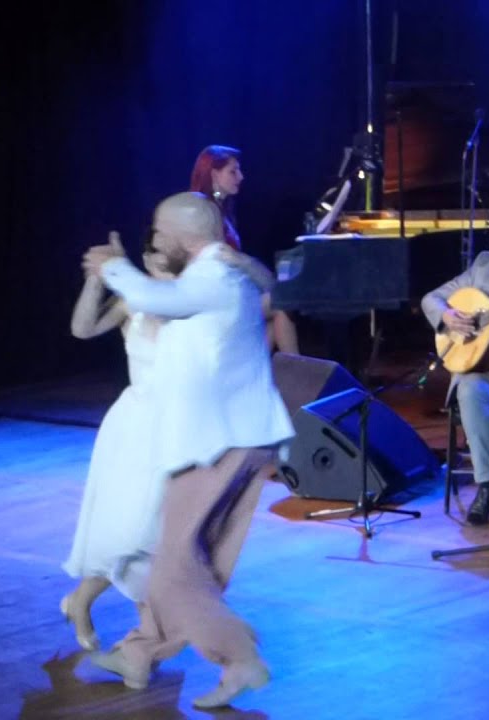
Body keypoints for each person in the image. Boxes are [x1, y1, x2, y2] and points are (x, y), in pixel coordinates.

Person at [80, 192, 294, 709]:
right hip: (241, 440)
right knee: (195, 564)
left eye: (158, 233)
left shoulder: (211, 278)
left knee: (173, 570)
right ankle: (139, 652)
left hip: (214, 445)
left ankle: (240, 657)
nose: (153, 241)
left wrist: (113, 268)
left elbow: (159, 301)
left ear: (180, 237)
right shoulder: (226, 271)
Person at [60, 232, 174, 651]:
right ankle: (85, 603)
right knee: (134, 531)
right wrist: (99, 278)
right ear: (145, 259)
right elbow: (82, 328)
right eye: (158, 254)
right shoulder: (134, 300)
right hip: (138, 427)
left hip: (181, 428)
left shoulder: (191, 302)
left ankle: (148, 641)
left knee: (164, 537)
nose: (165, 262)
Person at [421, 250, 489, 526]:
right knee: (469, 389)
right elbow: (430, 298)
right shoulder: (483, 266)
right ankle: (488, 484)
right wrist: (448, 316)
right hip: (485, 375)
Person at [190, 145, 299, 354]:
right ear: (214, 174)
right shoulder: (202, 212)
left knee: (272, 320)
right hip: (216, 306)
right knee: (281, 301)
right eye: (233, 171)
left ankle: (258, 380)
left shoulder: (222, 209)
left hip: (229, 298)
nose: (241, 177)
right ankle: (298, 372)